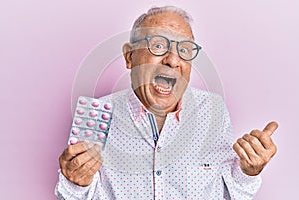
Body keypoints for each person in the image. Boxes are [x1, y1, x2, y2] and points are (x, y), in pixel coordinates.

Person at [55, 6, 278, 199]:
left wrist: (248, 172)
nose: (173, 60)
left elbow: (231, 193)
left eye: (184, 50)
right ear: (129, 56)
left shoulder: (213, 110)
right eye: (159, 46)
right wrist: (76, 183)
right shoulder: (97, 118)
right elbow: (77, 196)